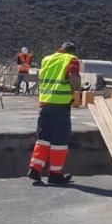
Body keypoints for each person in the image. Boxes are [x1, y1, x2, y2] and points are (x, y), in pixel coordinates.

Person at [27, 42, 81, 184]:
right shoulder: (71, 59)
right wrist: (77, 89)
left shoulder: (47, 59)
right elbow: (73, 77)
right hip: (61, 105)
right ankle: (55, 174)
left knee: (43, 138)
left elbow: (40, 79)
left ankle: (35, 169)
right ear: (72, 52)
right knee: (59, 140)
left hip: (45, 104)